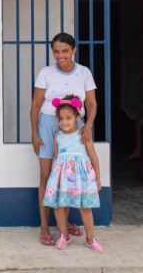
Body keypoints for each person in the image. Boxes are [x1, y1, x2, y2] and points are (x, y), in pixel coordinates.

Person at [30, 33, 98, 246]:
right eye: (56, 51)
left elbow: (92, 104)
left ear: (74, 50)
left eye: (65, 51)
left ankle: (64, 225)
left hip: (75, 125)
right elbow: (35, 105)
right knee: (46, 177)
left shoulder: (84, 73)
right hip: (49, 124)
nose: (60, 55)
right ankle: (44, 226)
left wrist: (87, 125)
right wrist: (35, 133)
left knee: (70, 176)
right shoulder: (46, 73)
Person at [43, 96, 103, 253]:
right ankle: (64, 235)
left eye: (68, 118)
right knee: (59, 207)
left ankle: (91, 239)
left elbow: (93, 157)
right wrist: (53, 180)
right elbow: (57, 158)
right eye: (61, 118)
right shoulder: (57, 136)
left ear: (77, 117)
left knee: (85, 208)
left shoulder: (83, 134)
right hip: (61, 178)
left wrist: (97, 178)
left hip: (82, 178)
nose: (64, 122)